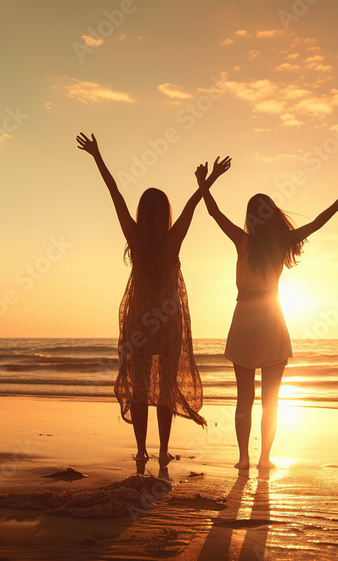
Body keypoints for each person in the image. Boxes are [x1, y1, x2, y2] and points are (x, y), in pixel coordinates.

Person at [77, 132, 231, 464]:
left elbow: (115, 193)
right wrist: (209, 180)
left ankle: (141, 450)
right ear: (165, 214)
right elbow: (192, 206)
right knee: (165, 388)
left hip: (138, 320)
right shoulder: (172, 240)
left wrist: (97, 156)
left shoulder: (134, 237)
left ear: (142, 213)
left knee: (140, 388)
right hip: (168, 322)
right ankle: (162, 452)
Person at [200, 179, 338, 469]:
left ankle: (243, 459)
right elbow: (316, 223)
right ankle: (264, 459)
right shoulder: (280, 243)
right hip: (272, 320)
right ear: (274, 216)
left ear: (250, 218)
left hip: (245, 320)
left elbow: (214, 213)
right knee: (270, 400)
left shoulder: (243, 241)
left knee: (244, 398)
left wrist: (205, 183)